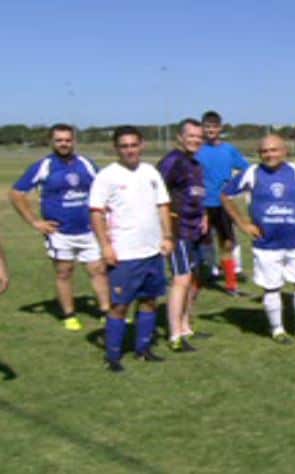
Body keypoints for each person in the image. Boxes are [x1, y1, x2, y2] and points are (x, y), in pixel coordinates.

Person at [222, 135, 295, 344]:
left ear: (284, 151)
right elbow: (226, 195)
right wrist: (243, 224)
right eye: (265, 151)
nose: (269, 155)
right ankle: (277, 330)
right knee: (271, 287)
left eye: (274, 150)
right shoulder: (252, 172)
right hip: (266, 244)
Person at [9, 123, 110, 331]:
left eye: (67, 140)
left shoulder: (86, 164)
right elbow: (17, 193)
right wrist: (35, 222)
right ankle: (69, 314)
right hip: (59, 232)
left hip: (89, 229)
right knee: (64, 272)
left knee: (98, 270)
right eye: (59, 140)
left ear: (74, 141)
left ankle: (106, 312)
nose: (64, 144)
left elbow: (104, 188)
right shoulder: (43, 166)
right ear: (52, 142)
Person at [89, 126, 174, 372]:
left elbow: (163, 206)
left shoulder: (150, 172)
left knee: (149, 301)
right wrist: (105, 246)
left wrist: (167, 236)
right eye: (124, 146)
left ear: (142, 145)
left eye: (133, 145)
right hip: (124, 254)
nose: (129, 150)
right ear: (117, 148)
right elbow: (97, 213)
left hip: (152, 251)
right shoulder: (107, 176)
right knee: (120, 306)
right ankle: (113, 355)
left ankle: (143, 349)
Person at [157, 118, 209, 352]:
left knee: (191, 280)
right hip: (178, 231)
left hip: (195, 230)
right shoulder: (172, 162)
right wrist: (167, 229)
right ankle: (175, 335)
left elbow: (196, 195)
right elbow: (157, 194)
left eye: (199, 137)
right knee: (181, 279)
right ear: (180, 137)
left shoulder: (195, 164)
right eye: (191, 136)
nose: (196, 140)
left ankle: (186, 326)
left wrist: (204, 215)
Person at [197, 110, 250, 296]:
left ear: (220, 128)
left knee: (227, 243)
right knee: (204, 241)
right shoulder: (197, 150)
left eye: (214, 127)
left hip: (223, 204)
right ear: (202, 128)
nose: (210, 130)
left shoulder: (229, 150)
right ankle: (207, 273)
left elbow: (246, 170)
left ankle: (231, 284)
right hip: (203, 205)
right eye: (207, 127)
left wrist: (234, 187)